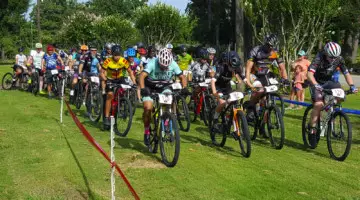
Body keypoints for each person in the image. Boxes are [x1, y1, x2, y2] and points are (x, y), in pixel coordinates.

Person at [307, 42, 358, 147]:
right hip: (316, 82)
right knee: (318, 105)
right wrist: (316, 85)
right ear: (326, 53)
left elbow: (346, 73)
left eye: (335, 57)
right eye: (331, 57)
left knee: (341, 95)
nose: (333, 59)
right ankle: (311, 129)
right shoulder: (319, 57)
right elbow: (309, 74)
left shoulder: (339, 59)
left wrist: (352, 85)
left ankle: (331, 109)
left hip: (329, 82)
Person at [139, 48, 188, 146]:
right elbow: (142, 76)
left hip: (164, 86)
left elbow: (182, 77)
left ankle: (166, 122)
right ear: (159, 61)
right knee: (148, 108)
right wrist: (143, 89)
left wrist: (185, 88)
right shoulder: (152, 63)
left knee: (168, 103)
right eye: (162, 65)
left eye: (166, 66)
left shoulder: (173, 64)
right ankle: (147, 131)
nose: (164, 68)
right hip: (150, 86)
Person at [245, 34, 289, 121]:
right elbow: (248, 68)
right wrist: (248, 82)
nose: (271, 49)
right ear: (265, 43)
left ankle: (263, 124)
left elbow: (282, 68)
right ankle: (250, 108)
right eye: (270, 46)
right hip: (255, 75)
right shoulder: (256, 50)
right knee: (258, 91)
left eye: (273, 47)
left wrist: (285, 79)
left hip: (266, 75)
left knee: (266, 101)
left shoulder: (275, 52)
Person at [102, 45, 137, 130]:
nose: (117, 57)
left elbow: (130, 72)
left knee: (124, 91)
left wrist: (134, 83)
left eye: (118, 55)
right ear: (112, 54)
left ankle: (121, 103)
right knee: (110, 95)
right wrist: (105, 79)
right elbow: (102, 72)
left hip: (120, 79)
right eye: (115, 54)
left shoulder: (124, 61)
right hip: (110, 79)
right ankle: (106, 117)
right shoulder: (107, 61)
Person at [211, 51, 244, 129]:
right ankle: (215, 119)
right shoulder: (221, 67)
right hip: (218, 86)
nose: (233, 69)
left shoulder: (236, 67)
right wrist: (214, 93)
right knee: (222, 103)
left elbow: (243, 78)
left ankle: (230, 118)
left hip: (227, 86)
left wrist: (251, 87)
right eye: (232, 67)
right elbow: (212, 81)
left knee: (235, 101)